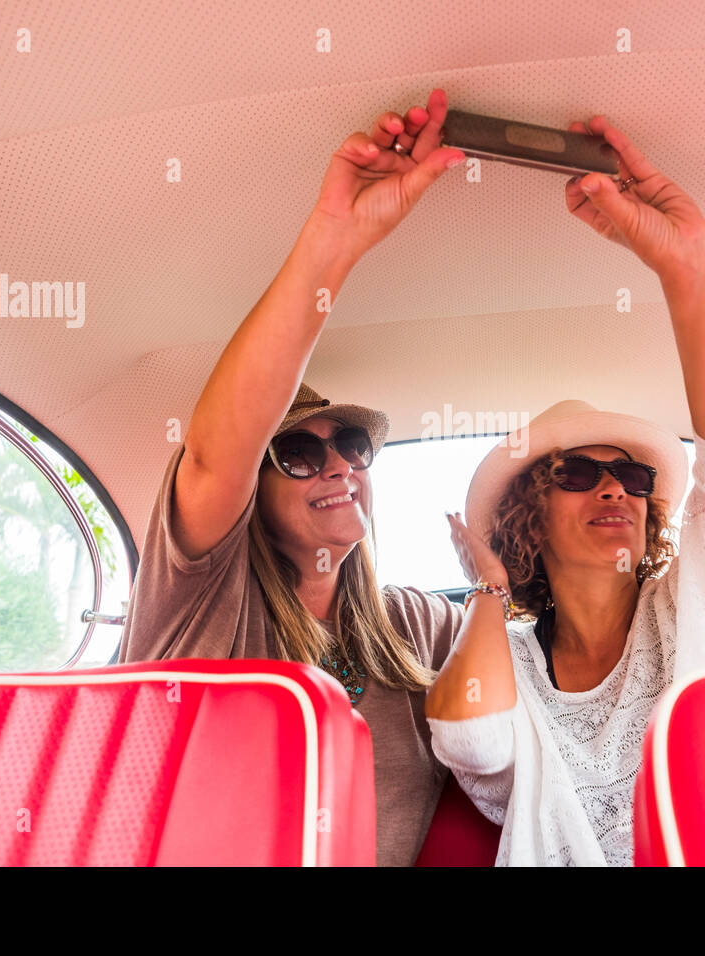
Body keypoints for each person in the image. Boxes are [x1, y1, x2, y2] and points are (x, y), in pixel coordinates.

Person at [424, 115, 705, 866]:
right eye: (579, 475)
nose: (613, 490)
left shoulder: (692, 609)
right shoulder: (515, 660)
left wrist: (689, 270)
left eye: (629, 475)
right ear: (529, 516)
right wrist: (488, 593)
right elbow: (470, 740)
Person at [119, 89, 470, 867]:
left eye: (350, 445)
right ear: (254, 491)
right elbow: (214, 457)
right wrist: (333, 245)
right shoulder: (205, 605)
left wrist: (497, 587)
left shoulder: (414, 625)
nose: (339, 465)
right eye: (300, 454)